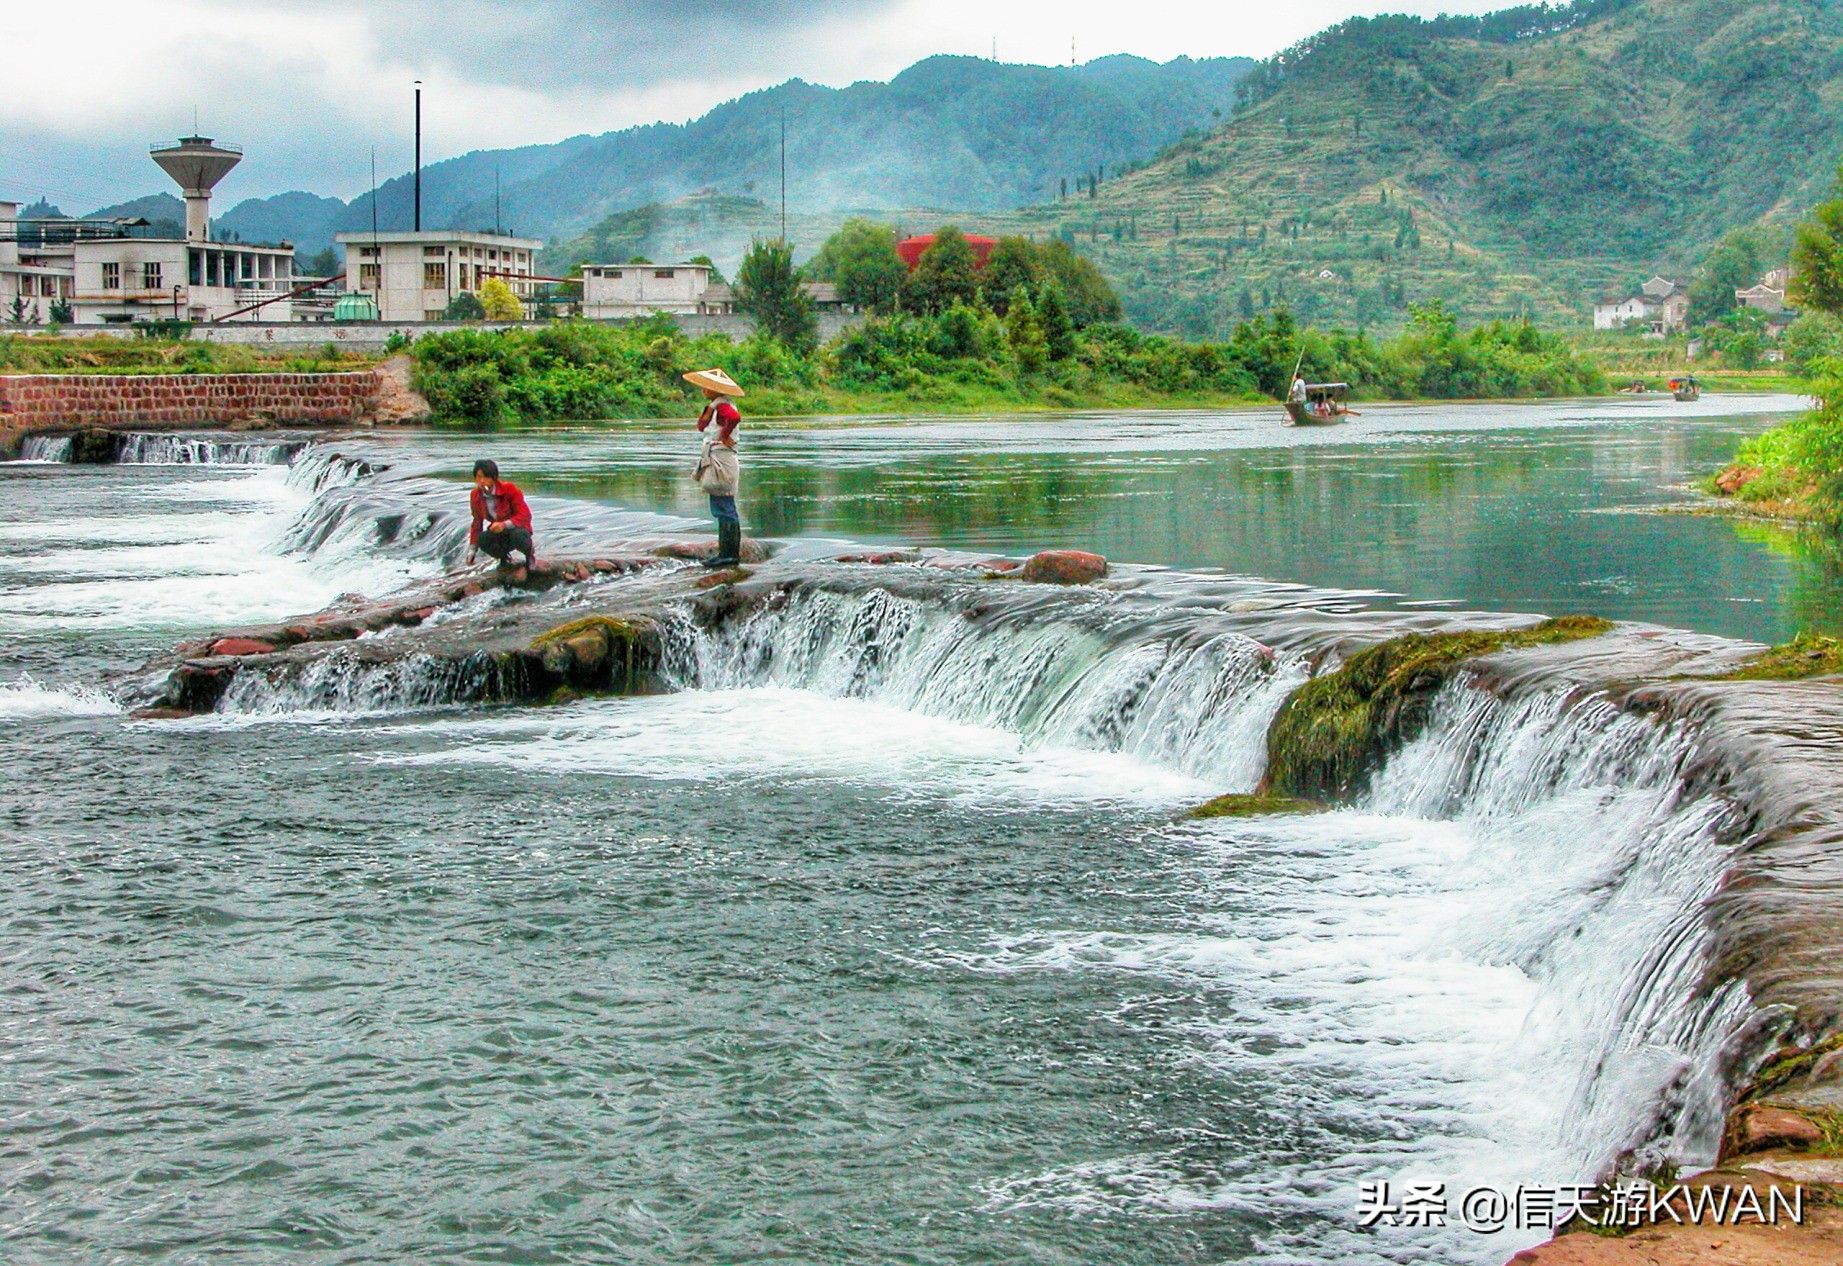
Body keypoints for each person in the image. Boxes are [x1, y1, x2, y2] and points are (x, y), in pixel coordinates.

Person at [684, 367, 745, 568]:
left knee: (724, 506)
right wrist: (710, 409)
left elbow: (734, 418)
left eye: (706, 387)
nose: (703, 390)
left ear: (715, 389)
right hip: (719, 458)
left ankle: (728, 555)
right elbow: (701, 426)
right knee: (722, 506)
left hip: (721, 460)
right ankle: (727, 553)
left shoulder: (723, 406)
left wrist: (725, 437)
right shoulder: (717, 406)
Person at [466, 458, 535, 581]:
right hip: (498, 532)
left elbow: (525, 515)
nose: (482, 482)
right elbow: (477, 522)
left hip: (516, 528)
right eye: (478, 477)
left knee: (519, 535)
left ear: (494, 478)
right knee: (483, 539)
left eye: (486, 477)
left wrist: (504, 524)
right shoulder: (475, 495)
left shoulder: (509, 489)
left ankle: (529, 557)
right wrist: (472, 550)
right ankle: (504, 559)